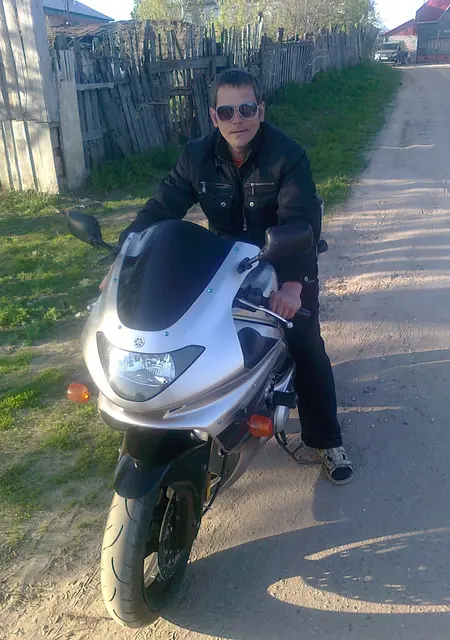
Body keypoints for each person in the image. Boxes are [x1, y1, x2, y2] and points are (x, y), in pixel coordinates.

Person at [105, 68, 354, 484]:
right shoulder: (196, 155)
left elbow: (301, 222)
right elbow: (160, 208)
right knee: (195, 335)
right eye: (226, 111)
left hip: (283, 259)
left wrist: (293, 285)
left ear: (261, 110)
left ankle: (326, 439)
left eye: (246, 109)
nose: (236, 119)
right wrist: (123, 262)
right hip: (222, 262)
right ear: (213, 116)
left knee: (305, 345)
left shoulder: (286, 155)